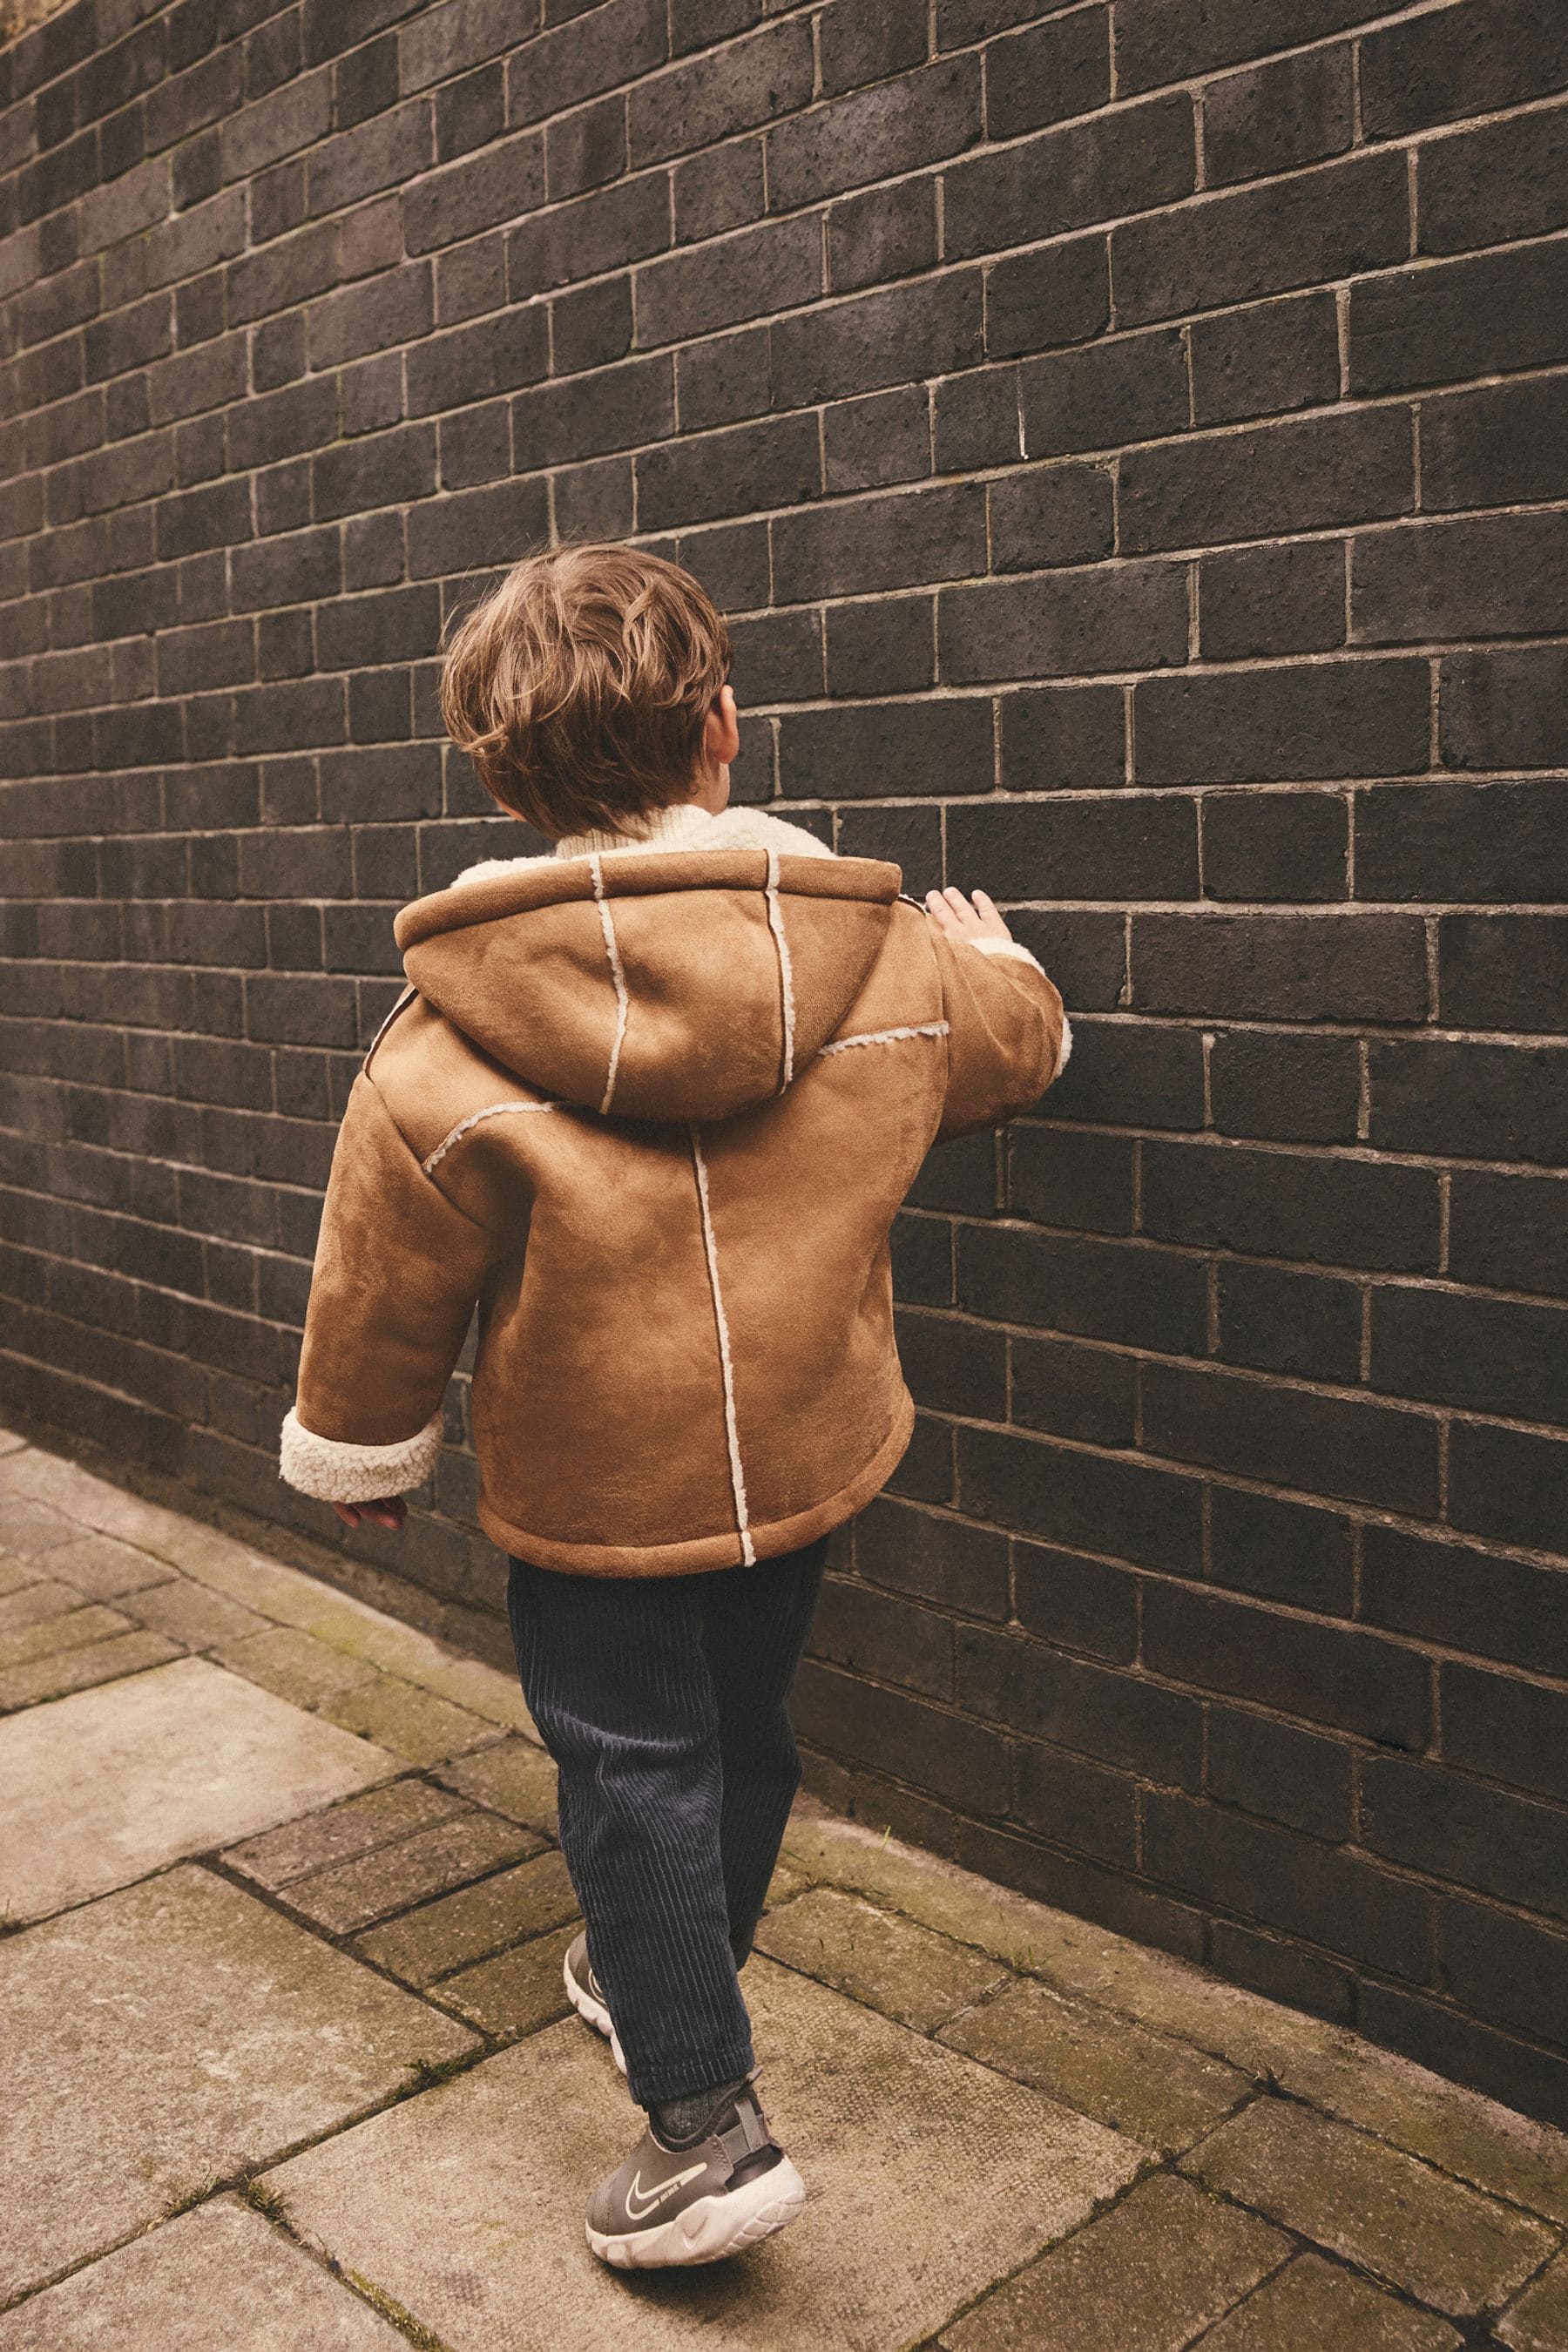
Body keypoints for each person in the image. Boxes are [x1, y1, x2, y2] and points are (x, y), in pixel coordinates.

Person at [279, 543, 1070, 2270]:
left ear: (501, 777)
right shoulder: (882, 969)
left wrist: (363, 1450)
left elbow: (385, 1270)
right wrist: (1000, 966)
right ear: (724, 730)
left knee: (635, 1761)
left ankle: (704, 2132)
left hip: (597, 1492)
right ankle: (661, 1970)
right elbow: (1012, 1041)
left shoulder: (444, 1037)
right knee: (745, 1734)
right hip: (804, 1448)